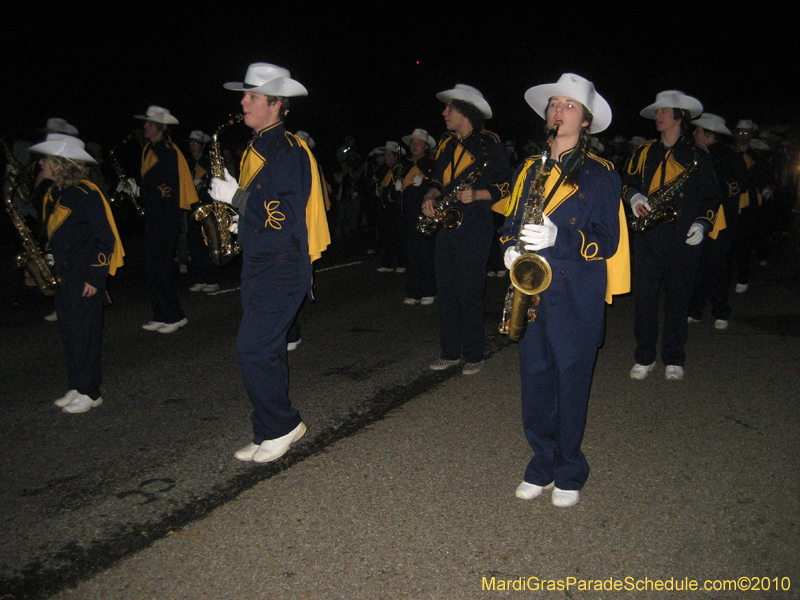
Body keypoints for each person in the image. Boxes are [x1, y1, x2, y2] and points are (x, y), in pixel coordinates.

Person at [499, 73, 629, 507]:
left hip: (576, 294)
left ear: (586, 121)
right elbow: (509, 223)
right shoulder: (527, 169)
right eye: (554, 104)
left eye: (569, 106)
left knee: (571, 385)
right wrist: (509, 250)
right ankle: (541, 462)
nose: (558, 111)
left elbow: (606, 240)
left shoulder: (601, 174)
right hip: (532, 292)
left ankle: (570, 467)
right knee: (534, 382)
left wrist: (561, 238)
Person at [210, 62, 330, 463]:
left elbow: (285, 211)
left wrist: (237, 199)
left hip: (283, 262)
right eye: (245, 95)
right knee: (269, 348)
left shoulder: (288, 148)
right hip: (260, 260)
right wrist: (235, 215)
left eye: (253, 96)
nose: (243, 101)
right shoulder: (257, 146)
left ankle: (283, 425)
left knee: (252, 347)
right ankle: (266, 429)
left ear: (276, 104)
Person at [624, 91, 720, 380]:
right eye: (658, 111)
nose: (658, 115)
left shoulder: (697, 157)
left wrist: (702, 224)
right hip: (648, 238)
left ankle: (674, 357)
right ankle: (644, 356)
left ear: (680, 117)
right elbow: (626, 183)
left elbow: (712, 198)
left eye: (664, 111)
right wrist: (633, 196)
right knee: (645, 300)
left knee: (678, 300)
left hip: (682, 239)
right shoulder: (642, 152)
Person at [29, 134, 124, 413]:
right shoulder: (55, 193)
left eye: (46, 159)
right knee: (70, 333)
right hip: (64, 274)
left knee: (85, 335)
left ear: (61, 163)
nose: (41, 163)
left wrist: (95, 278)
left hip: (84, 276)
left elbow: (105, 240)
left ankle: (90, 391)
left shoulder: (86, 193)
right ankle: (77, 384)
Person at [421, 84, 511, 375]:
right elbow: (437, 180)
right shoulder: (446, 144)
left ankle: (474, 354)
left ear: (466, 111)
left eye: (450, 108)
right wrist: (430, 196)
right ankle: (449, 351)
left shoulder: (490, 143)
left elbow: (508, 184)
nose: (444, 112)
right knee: (445, 290)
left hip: (475, 225)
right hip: (448, 224)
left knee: (469, 291)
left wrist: (479, 194)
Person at [134, 106, 199, 333]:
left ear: (161, 127)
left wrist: (144, 193)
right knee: (153, 266)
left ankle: (174, 315)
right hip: (155, 215)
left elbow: (169, 189)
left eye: (150, 123)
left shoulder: (168, 150)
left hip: (166, 216)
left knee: (161, 266)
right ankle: (161, 312)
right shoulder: (149, 149)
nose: (145, 126)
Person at [687, 113, 747, 329]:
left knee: (717, 265)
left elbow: (740, 185)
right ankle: (695, 309)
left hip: (721, 220)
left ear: (709, 135)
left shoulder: (729, 156)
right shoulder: (693, 154)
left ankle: (721, 311)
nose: (694, 134)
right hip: (698, 217)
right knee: (697, 264)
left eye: (699, 131)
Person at [399, 128, 437, 305]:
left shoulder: (432, 163)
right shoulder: (403, 165)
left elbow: (439, 186)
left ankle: (429, 290)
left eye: (419, 143)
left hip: (424, 214)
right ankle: (413, 291)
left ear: (426, 146)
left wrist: (425, 184)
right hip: (407, 215)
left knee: (425, 253)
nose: (414, 146)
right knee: (410, 254)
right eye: (412, 143)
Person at [185, 130, 221, 294]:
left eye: (196, 143)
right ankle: (199, 277)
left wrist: (204, 184)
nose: (193, 146)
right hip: (193, 207)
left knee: (208, 242)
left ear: (203, 145)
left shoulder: (209, 163)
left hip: (206, 206)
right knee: (194, 243)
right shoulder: (188, 163)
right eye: (191, 143)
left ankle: (212, 278)